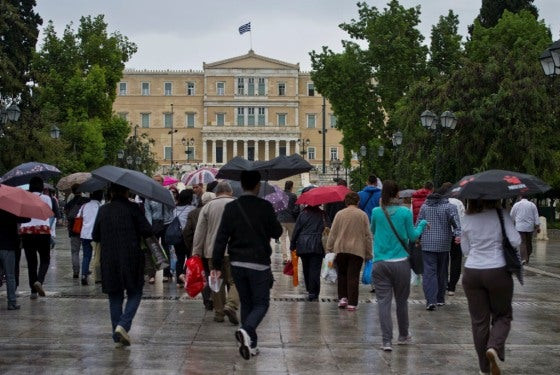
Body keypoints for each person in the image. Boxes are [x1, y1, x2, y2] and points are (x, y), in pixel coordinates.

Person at [213, 170, 282, 360]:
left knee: (247, 302)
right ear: (258, 186)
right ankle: (247, 329)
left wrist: (216, 264)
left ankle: (251, 344)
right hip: (258, 262)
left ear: (242, 185)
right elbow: (277, 232)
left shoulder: (232, 207)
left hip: (236, 261)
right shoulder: (265, 206)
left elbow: (221, 237)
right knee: (261, 303)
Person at [461, 199, 521, 375]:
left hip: (472, 272)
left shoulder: (468, 218)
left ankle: (484, 369)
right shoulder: (501, 215)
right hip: (497, 271)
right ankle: (493, 347)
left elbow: (465, 249)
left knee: (479, 322)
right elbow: (516, 241)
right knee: (503, 315)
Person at [92, 183, 153, 348]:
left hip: (109, 258)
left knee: (115, 296)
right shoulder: (134, 208)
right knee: (135, 292)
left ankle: (117, 334)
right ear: (127, 192)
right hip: (131, 257)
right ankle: (123, 325)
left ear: (111, 193)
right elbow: (147, 231)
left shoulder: (103, 210)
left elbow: (95, 235)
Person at [370, 180, 427, 352]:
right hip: (401, 263)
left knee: (383, 303)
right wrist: (422, 224)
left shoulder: (376, 212)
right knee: (402, 302)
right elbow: (412, 236)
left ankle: (386, 341)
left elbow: (373, 231)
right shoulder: (404, 212)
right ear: (397, 194)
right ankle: (403, 336)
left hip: (380, 263)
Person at [193, 181, 239, 324]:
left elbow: (200, 232)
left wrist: (196, 251)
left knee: (216, 281)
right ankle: (231, 304)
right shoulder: (239, 204)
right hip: (235, 250)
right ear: (230, 192)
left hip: (212, 251)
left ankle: (219, 313)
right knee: (235, 281)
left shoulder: (208, 206)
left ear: (217, 192)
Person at [325, 191, 372, 311]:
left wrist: (329, 248)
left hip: (340, 248)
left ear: (346, 202)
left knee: (342, 274)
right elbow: (367, 235)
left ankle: (342, 298)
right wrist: (369, 253)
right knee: (353, 276)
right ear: (358, 201)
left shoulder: (339, 214)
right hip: (357, 249)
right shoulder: (362, 215)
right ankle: (352, 303)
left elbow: (333, 233)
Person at [417, 185, 461, 310]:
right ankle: (440, 298)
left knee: (429, 273)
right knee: (442, 272)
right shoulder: (449, 207)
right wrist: (458, 235)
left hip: (427, 243)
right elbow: (456, 224)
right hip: (444, 244)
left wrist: (417, 238)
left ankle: (430, 300)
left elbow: (419, 223)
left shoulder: (424, 207)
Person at [20, 177, 53, 299]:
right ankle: (39, 280)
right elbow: (49, 214)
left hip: (27, 232)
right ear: (41, 187)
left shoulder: (23, 197)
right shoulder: (46, 198)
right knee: (45, 259)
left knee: (31, 262)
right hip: (43, 231)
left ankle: (33, 292)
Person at [290, 199, 329, 302]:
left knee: (306, 268)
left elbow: (296, 229)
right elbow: (328, 229)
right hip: (317, 245)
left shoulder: (303, 214)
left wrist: (293, 244)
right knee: (315, 269)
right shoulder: (323, 214)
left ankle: (310, 290)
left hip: (303, 244)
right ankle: (314, 292)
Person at [183, 191, 215, 310]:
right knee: (215, 272)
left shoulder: (193, 213)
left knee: (204, 273)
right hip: (213, 248)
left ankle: (207, 300)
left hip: (199, 248)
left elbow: (187, 232)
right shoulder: (216, 212)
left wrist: (191, 247)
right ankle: (216, 298)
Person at [144, 174, 175, 283]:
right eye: (155, 180)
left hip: (166, 222)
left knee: (166, 248)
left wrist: (165, 199)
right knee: (152, 248)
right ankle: (151, 274)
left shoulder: (168, 193)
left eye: (159, 181)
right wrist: (150, 225)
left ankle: (166, 274)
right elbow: (147, 211)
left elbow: (172, 208)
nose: (157, 182)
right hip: (155, 223)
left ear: (162, 182)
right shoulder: (149, 195)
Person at [0, 209, 30, 310]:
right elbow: (27, 219)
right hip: (8, 248)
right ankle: (11, 302)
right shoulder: (12, 212)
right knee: (10, 276)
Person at [439, 182, 466, 296]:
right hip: (456, 235)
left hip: (444, 234)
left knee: (444, 259)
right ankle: (452, 287)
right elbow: (463, 219)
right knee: (456, 259)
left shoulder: (440, 203)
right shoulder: (459, 203)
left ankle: (443, 282)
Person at [65, 184, 90, 278]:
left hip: (73, 229)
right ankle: (85, 269)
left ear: (72, 191)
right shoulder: (86, 201)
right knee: (86, 252)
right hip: (85, 229)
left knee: (75, 251)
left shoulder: (69, 204)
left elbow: (68, 217)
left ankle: (76, 271)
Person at [79, 190, 104, 286]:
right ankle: (98, 277)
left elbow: (79, 216)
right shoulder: (100, 206)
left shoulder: (84, 206)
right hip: (96, 235)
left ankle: (84, 275)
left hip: (85, 234)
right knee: (97, 256)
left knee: (86, 256)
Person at [510, 195, 540, 265]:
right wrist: (537, 226)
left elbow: (511, 216)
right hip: (530, 227)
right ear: (528, 197)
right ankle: (527, 257)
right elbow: (536, 215)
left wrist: (511, 225)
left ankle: (524, 258)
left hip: (519, 227)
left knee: (522, 242)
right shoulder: (532, 205)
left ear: (521, 197)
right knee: (529, 243)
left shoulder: (516, 205)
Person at [173, 189, 194, 287]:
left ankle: (178, 280)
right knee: (190, 257)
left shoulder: (175, 209)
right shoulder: (191, 209)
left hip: (177, 236)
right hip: (188, 237)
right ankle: (184, 275)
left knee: (179, 258)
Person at [276, 180, 299, 264]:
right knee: (292, 239)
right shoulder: (293, 196)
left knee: (283, 240)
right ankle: (293, 257)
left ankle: (285, 258)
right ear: (291, 187)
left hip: (281, 219)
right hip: (291, 220)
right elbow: (297, 209)